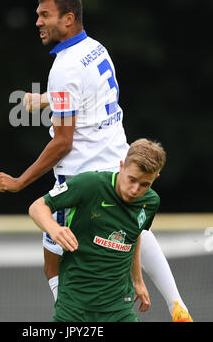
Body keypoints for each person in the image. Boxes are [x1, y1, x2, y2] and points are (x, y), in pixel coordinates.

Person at [0, 0, 192, 322]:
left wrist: (19, 182)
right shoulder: (95, 49)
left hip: (84, 180)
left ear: (68, 19)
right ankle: (176, 302)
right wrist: (44, 99)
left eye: (45, 15)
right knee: (137, 229)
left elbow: (63, 142)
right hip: (118, 163)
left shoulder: (64, 69)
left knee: (55, 263)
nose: (37, 22)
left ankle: (68, 319)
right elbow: (88, 97)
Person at [29, 138, 165, 322]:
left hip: (120, 306)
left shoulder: (151, 202)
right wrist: (54, 229)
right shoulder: (90, 183)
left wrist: (138, 281)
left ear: (155, 178)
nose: (135, 189)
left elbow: (134, 236)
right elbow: (37, 207)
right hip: (75, 306)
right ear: (122, 165)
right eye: (132, 179)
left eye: (145, 184)